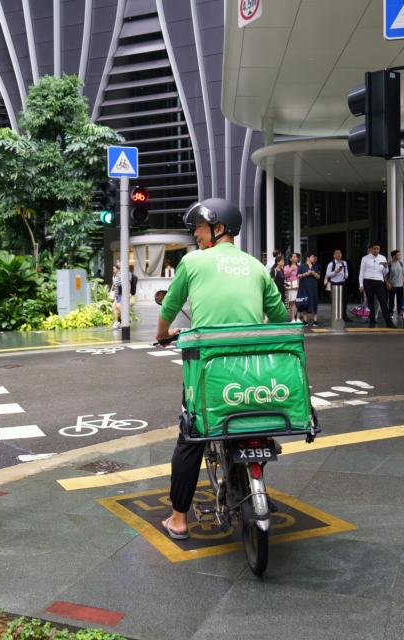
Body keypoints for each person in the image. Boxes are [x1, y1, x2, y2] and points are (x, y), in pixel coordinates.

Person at [155, 198, 288, 540]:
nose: (195, 234)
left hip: (209, 369)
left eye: (199, 228)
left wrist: (161, 335)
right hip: (254, 372)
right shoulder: (256, 266)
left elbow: (170, 305)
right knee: (251, 413)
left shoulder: (194, 262)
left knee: (192, 434)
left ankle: (179, 520)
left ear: (218, 229)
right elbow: (280, 318)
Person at [358, 242, 396, 328]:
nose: (376, 250)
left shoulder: (382, 258)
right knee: (370, 302)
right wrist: (360, 284)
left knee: (383, 301)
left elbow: (385, 272)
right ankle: (372, 320)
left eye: (378, 249)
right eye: (374, 249)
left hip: (379, 281)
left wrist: (386, 267)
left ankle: (389, 322)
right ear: (371, 249)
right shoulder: (365, 258)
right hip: (368, 281)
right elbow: (362, 272)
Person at [298, 252, 321, 326]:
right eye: (312, 257)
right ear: (308, 258)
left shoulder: (316, 266)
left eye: (314, 257)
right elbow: (298, 276)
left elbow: (319, 277)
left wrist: (314, 273)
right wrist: (306, 274)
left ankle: (315, 320)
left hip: (314, 288)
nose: (313, 258)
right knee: (305, 303)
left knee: (314, 303)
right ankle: (305, 320)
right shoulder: (302, 266)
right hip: (304, 288)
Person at [324, 249, 348, 320]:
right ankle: (336, 317)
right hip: (334, 284)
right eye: (337, 253)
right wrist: (335, 272)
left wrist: (345, 276)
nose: (338, 254)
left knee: (344, 300)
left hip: (343, 283)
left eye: (340, 253)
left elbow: (346, 272)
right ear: (334, 255)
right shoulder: (331, 264)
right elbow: (328, 274)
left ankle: (344, 316)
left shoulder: (344, 263)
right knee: (335, 301)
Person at [387, 250, 404, 321]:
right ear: (394, 256)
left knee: (400, 300)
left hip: (400, 285)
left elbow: (403, 273)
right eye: (398, 255)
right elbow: (385, 275)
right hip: (392, 285)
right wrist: (388, 283)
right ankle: (391, 313)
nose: (399, 256)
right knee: (391, 300)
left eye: (400, 255)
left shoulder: (401, 263)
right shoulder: (389, 264)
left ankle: (400, 312)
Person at [285, 253, 301, 321]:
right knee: (291, 302)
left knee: (298, 302)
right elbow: (285, 276)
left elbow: (301, 276)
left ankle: (297, 318)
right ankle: (292, 319)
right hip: (289, 285)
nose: (295, 258)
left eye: (296, 257)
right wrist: (291, 269)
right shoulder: (287, 267)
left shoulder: (300, 267)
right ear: (290, 259)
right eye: (294, 257)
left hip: (298, 286)